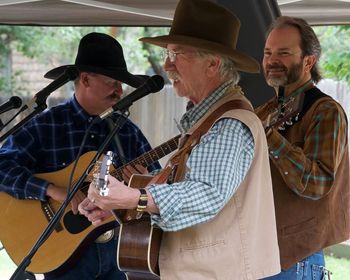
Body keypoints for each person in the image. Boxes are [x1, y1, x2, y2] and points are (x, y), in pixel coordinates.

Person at [79, 0, 281, 279]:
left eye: (176, 54)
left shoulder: (230, 122)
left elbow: (206, 193)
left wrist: (134, 197)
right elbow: (183, 196)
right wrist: (119, 204)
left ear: (212, 63)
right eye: (167, 53)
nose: (166, 64)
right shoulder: (205, 122)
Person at [0, 32, 160, 279]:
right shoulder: (46, 125)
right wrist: (54, 191)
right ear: (85, 79)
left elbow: (159, 181)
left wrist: (144, 181)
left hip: (116, 253)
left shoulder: (125, 130)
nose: (120, 90)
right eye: (113, 82)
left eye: (121, 83)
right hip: (62, 253)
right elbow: (2, 166)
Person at [255, 16, 350, 280]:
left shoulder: (325, 111)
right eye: (268, 52)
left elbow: (317, 183)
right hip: (259, 252)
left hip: (295, 260)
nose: (272, 60)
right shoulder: (266, 111)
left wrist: (270, 136)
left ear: (309, 61)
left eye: (284, 53)